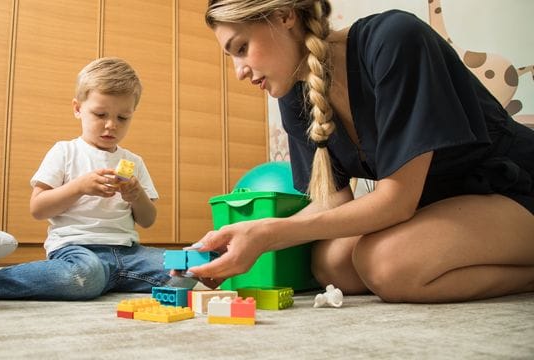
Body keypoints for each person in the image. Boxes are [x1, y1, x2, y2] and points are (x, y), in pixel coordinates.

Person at [184, 0, 534, 303]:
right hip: (442, 204)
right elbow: (333, 202)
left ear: (284, 16)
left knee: (386, 265)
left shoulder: (394, 39)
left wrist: (269, 235)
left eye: (241, 48)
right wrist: (255, 232)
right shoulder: (295, 93)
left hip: (511, 189)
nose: (239, 72)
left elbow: (397, 201)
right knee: (332, 264)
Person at [0, 57, 193, 300]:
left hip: (128, 253)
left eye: (122, 118)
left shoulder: (134, 161)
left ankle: (105, 280)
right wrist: (79, 187)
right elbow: (38, 208)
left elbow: (148, 220)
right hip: (76, 249)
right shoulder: (65, 151)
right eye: (100, 114)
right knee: (84, 273)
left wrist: (137, 196)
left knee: (187, 270)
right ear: (77, 109)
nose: (111, 125)